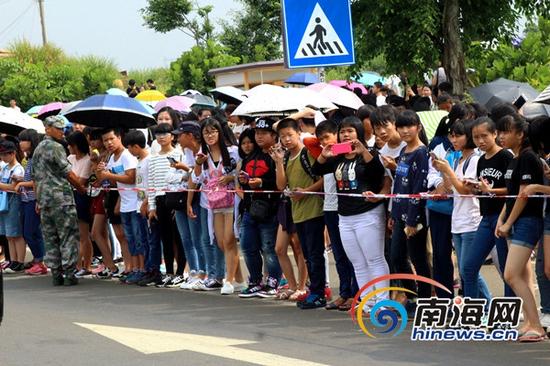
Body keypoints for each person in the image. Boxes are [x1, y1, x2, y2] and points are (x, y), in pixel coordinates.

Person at [313, 118, 389, 312]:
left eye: (350, 131)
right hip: (344, 216)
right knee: (358, 262)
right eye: (343, 131)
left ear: (359, 133)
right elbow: (317, 170)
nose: (346, 135)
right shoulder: (339, 153)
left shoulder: (370, 152)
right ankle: (367, 301)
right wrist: (323, 155)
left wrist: (363, 152)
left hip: (368, 213)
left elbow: (376, 174)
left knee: (374, 259)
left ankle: (381, 302)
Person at [495, 113, 546, 342]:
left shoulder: (528, 158)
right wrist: (502, 219)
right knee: (522, 275)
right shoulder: (515, 159)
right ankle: (529, 322)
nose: (501, 136)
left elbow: (525, 196)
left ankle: (536, 325)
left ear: (520, 134)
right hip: (515, 221)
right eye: (500, 131)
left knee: (510, 274)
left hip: (527, 221)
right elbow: (513, 194)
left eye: (506, 131)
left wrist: (507, 222)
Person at [432, 119, 491, 301]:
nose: (453, 139)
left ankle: (484, 308)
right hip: (457, 220)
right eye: (451, 135)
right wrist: (441, 171)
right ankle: (484, 309)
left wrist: (448, 170)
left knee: (468, 270)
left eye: (458, 135)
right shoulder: (458, 159)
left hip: (471, 221)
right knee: (466, 271)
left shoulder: (474, 160)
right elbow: (452, 188)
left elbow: (466, 191)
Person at [273, 118, 325, 309]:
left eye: (290, 135)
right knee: (307, 255)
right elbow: (280, 186)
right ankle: (314, 291)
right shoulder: (286, 157)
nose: (286, 140)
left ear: (298, 133)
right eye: (282, 136)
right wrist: (279, 162)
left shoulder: (308, 153)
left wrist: (306, 191)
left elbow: (323, 179)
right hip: (297, 212)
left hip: (313, 210)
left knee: (314, 253)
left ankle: (318, 292)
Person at [192, 118, 245, 294]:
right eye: (206, 132)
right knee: (221, 242)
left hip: (231, 201)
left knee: (229, 240)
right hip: (213, 203)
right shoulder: (202, 155)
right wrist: (198, 164)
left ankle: (228, 280)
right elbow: (197, 180)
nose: (210, 136)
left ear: (220, 132)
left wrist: (231, 178)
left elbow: (241, 173)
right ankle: (239, 279)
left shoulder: (233, 152)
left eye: (213, 131)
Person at [32, 116, 86, 286]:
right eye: (57, 128)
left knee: (50, 238)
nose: (61, 131)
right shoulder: (55, 147)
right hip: (60, 199)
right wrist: (81, 188)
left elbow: (35, 178)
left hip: (45, 199)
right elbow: (67, 172)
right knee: (68, 236)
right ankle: (69, 274)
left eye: (63, 128)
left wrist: (38, 200)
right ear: (47, 128)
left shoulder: (38, 148)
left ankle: (56, 274)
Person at [390, 110, 431, 311]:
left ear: (418, 127)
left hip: (415, 217)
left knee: (418, 258)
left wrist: (412, 220)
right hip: (399, 214)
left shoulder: (422, 153)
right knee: (396, 257)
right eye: (401, 126)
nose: (405, 130)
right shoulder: (403, 151)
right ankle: (412, 296)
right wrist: (393, 213)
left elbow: (418, 188)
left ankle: (424, 300)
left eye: (409, 126)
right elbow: (399, 185)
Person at [237, 118, 282, 298]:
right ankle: (255, 281)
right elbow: (244, 184)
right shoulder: (250, 156)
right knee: (248, 247)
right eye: (257, 133)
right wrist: (244, 182)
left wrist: (262, 182)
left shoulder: (277, 155)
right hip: (249, 209)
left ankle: (273, 282)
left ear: (273, 135)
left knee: (269, 248)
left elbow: (281, 184)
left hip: (270, 210)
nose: (259, 137)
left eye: (263, 133)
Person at [147, 123, 187, 287]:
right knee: (166, 238)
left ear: (172, 136)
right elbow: (150, 183)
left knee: (178, 237)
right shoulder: (153, 158)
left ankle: (180, 273)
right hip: (159, 199)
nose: (161, 137)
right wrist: (152, 206)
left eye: (165, 133)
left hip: (174, 197)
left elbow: (183, 175)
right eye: (158, 134)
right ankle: (169, 272)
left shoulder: (178, 154)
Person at [171, 121, 207, 290]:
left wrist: (185, 169)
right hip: (184, 195)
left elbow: (197, 175)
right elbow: (189, 174)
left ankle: (203, 271)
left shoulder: (203, 151)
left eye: (180, 135)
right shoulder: (186, 151)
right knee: (185, 238)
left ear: (190, 136)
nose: (177, 138)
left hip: (198, 198)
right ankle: (193, 271)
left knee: (198, 237)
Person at [97, 128, 137, 277]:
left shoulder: (127, 155)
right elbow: (105, 180)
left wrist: (109, 174)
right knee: (121, 235)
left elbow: (131, 177)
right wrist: (100, 171)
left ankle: (136, 267)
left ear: (119, 137)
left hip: (133, 201)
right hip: (121, 200)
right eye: (105, 140)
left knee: (132, 236)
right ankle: (128, 267)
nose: (109, 143)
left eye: (111, 139)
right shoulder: (110, 158)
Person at [15, 129, 47, 275]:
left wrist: (22, 184)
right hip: (26, 199)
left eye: (24, 140)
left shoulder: (36, 159)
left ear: (32, 141)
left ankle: (40, 261)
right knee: (35, 232)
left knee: (29, 233)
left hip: (34, 199)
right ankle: (39, 260)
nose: (21, 143)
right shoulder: (29, 159)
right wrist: (21, 180)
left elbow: (37, 181)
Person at [123, 130, 150, 285]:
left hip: (144, 206)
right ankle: (139, 269)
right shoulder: (139, 161)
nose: (130, 151)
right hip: (138, 205)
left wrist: (146, 203)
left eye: (130, 148)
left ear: (136, 146)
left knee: (143, 239)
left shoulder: (148, 160)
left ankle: (146, 268)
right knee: (137, 239)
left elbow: (150, 185)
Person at [67, 132, 94, 278]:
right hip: (69, 197)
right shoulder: (70, 158)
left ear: (76, 145)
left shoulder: (87, 160)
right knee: (74, 234)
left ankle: (86, 265)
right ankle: (76, 264)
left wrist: (70, 178)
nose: (68, 147)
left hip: (81, 197)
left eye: (70, 144)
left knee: (84, 234)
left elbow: (81, 182)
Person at [0, 140, 26, 274]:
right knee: (8, 235)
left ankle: (20, 261)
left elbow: (15, 188)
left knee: (16, 233)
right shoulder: (4, 168)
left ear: (13, 153)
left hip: (13, 202)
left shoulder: (18, 169)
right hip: (3, 203)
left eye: (6, 154)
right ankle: (13, 260)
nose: (3, 157)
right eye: (2, 155)